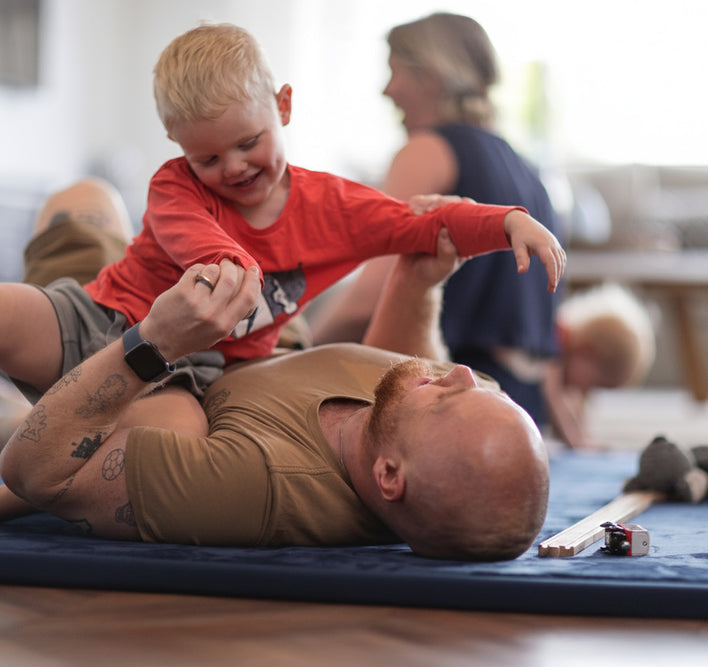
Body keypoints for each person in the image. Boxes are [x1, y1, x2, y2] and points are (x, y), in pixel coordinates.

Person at [0, 21, 565, 463]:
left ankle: (23, 467)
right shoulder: (173, 186)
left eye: (249, 142)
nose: (235, 167)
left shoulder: (333, 206)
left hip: (187, 367)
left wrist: (508, 222)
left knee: (178, 441)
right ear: (178, 144)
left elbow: (420, 224)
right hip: (100, 318)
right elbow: (199, 241)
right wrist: (238, 267)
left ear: (284, 107)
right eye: (209, 158)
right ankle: (28, 429)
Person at [0, 182, 550, 561]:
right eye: (480, 389)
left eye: (450, 398)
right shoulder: (422, 423)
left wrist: (154, 340)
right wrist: (418, 281)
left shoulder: (254, 487)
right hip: (243, 321)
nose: (461, 374)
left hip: (153, 349)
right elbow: (405, 372)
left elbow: (33, 470)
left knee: (79, 204)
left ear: (389, 477)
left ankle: (17, 410)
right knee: (94, 197)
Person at [308, 12, 563, 427]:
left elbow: (369, 297)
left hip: (449, 397)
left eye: (394, 71)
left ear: (431, 75)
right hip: (519, 408)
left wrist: (297, 352)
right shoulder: (527, 169)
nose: (386, 89)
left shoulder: (428, 149)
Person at [543, 283, 656, 448]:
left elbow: (575, 403)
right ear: (587, 351)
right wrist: (575, 441)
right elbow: (552, 395)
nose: (585, 392)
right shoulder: (555, 336)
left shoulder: (572, 357)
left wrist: (582, 434)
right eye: (593, 384)